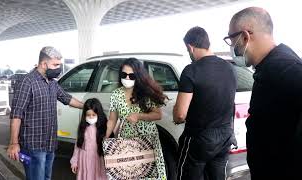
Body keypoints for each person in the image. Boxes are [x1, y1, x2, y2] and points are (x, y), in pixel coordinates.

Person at [225, 7, 302, 179]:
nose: (232, 47)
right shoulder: (269, 69)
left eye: (231, 40)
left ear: (245, 37)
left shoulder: (288, 70)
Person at [7, 46, 84, 180]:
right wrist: (14, 143)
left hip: (50, 144)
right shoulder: (27, 82)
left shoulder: (52, 83)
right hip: (33, 146)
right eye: (55, 65)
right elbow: (16, 115)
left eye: (59, 65)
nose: (59, 68)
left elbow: (67, 98)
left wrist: (88, 106)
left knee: (47, 178)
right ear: (43, 64)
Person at [173, 26, 237, 180]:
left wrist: (176, 115)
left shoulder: (191, 70)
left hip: (199, 139)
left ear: (190, 46)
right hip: (224, 136)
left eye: (187, 49)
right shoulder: (230, 68)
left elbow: (180, 114)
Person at [106, 58, 168, 179]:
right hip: (126, 143)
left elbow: (158, 115)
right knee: (129, 174)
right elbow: (112, 120)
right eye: (124, 75)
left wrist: (139, 116)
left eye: (131, 75)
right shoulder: (116, 94)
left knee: (148, 174)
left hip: (147, 141)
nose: (127, 78)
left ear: (138, 76)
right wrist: (105, 138)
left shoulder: (146, 93)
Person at [70, 98, 107, 180]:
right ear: (84, 115)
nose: (91, 117)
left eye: (94, 115)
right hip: (84, 160)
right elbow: (77, 146)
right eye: (88, 115)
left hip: (98, 161)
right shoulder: (83, 128)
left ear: (99, 114)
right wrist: (74, 162)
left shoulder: (103, 128)